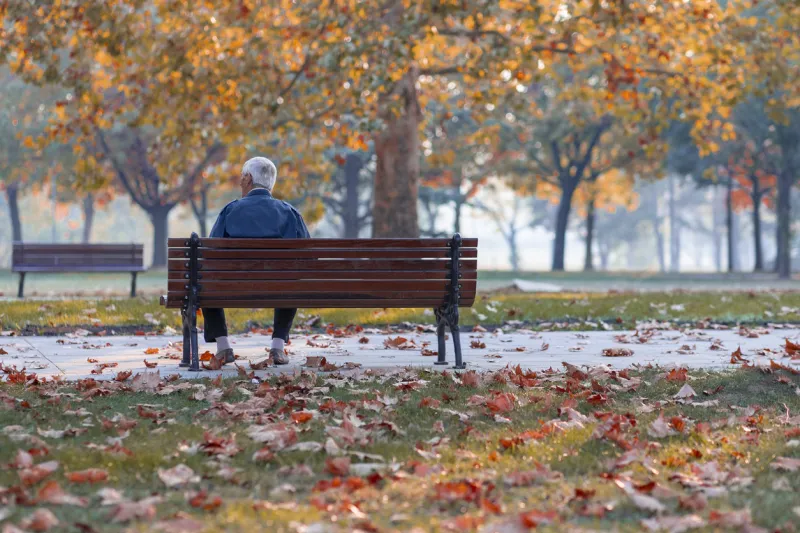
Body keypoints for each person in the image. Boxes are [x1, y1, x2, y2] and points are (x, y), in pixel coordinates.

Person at [202, 156, 310, 367]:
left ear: (248, 178)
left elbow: (210, 255)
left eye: (242, 177)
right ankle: (277, 347)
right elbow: (308, 257)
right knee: (290, 280)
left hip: (232, 288)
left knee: (204, 281)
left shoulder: (230, 210)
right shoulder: (289, 212)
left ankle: (223, 347)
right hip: (280, 287)